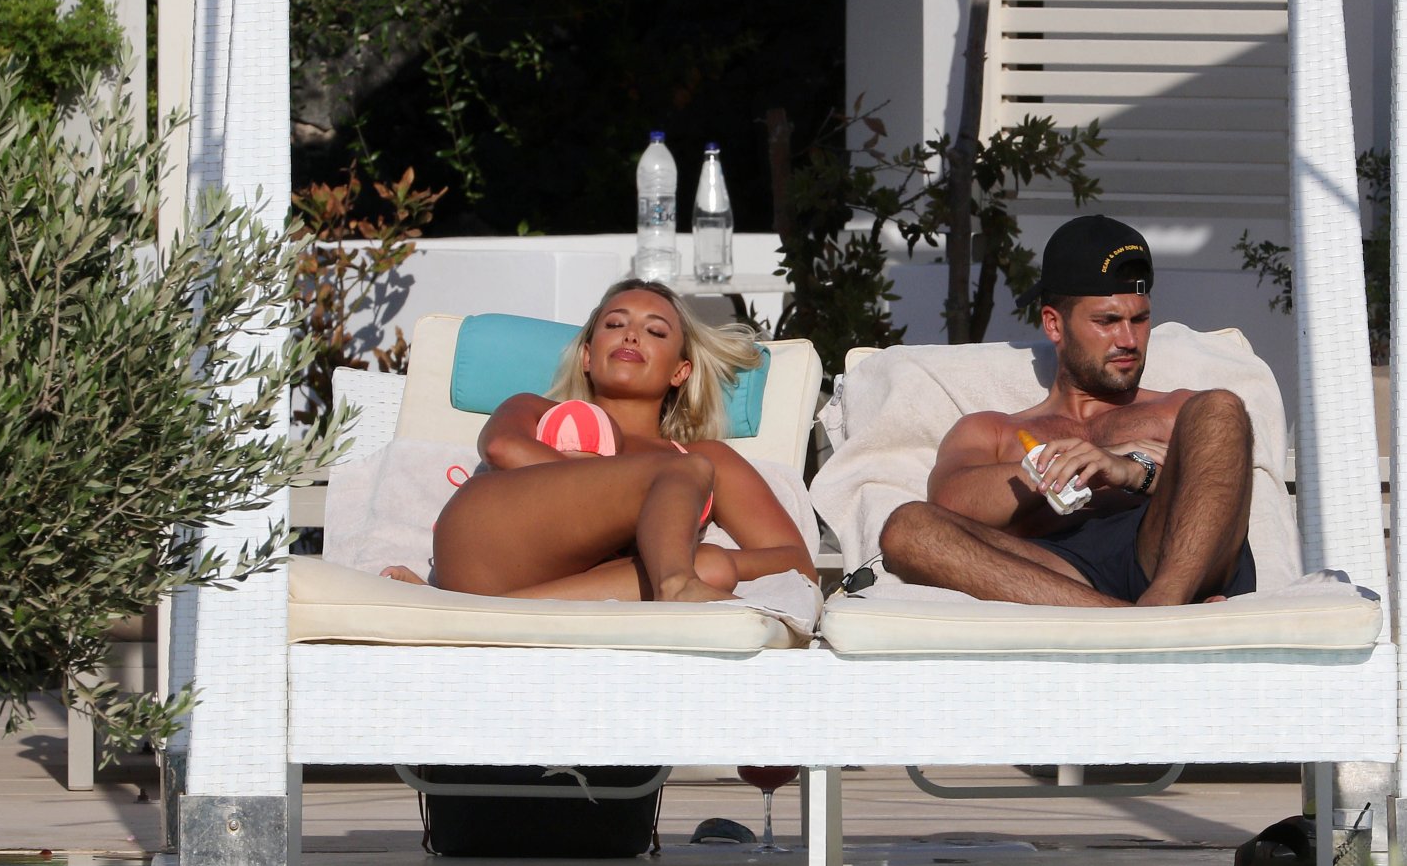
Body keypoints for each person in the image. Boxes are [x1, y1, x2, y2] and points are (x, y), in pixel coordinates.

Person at [879, 215, 1257, 606]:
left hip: (1163, 556)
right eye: (1108, 321)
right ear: (1054, 325)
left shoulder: (1181, 412)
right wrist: (1082, 466)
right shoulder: (993, 432)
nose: (1129, 339)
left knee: (1222, 407)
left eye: (1140, 319)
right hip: (1058, 576)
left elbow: (1219, 487)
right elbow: (950, 504)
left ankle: (1163, 607)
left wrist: (1132, 471)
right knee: (907, 528)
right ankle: (1136, 622)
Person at [385, 279, 813, 602]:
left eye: (655, 332)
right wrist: (640, 506)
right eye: (615, 324)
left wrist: (673, 550)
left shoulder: (706, 455)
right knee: (682, 473)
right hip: (483, 542)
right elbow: (501, 448)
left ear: (680, 371)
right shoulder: (536, 408)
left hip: (570, 586)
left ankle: (470, 611)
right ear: (588, 356)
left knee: (713, 565)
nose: (631, 335)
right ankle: (677, 584)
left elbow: (795, 561)